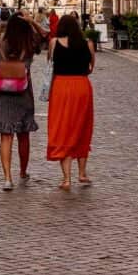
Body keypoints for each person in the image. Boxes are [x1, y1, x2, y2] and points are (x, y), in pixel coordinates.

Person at [0, 13, 39, 191]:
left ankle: (7, 177)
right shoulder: (28, 48)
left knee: (5, 137)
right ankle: (23, 171)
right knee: (23, 135)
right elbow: (44, 37)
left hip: (3, 97)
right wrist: (33, 22)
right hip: (23, 95)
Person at [47, 14, 95, 191]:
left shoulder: (54, 43)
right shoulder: (88, 44)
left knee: (62, 128)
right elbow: (91, 67)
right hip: (82, 86)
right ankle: (82, 173)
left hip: (61, 86)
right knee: (83, 128)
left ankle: (66, 178)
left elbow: (50, 64)